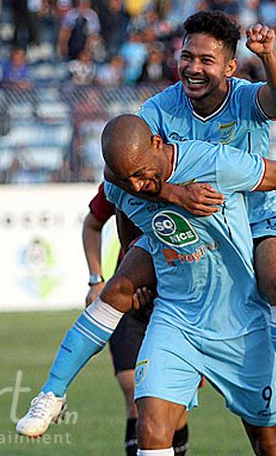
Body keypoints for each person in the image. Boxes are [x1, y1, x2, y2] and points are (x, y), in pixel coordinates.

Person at [18, 115, 276, 456]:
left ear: (158, 143)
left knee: (269, 445)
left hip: (241, 323)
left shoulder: (212, 162)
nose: (139, 185)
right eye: (128, 179)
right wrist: (164, 204)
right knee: (152, 429)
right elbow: (125, 210)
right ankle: (52, 393)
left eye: (143, 174)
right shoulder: (120, 183)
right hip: (177, 320)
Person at [136, 11, 276, 446]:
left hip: (255, 219)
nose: (194, 68)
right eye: (187, 57)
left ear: (230, 68)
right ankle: (54, 390)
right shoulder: (158, 110)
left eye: (206, 61)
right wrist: (174, 196)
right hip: (198, 228)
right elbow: (127, 169)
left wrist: (269, 56)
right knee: (124, 284)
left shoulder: (246, 98)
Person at [83, 183, 190, 456]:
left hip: (176, 305)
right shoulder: (122, 178)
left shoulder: (188, 177)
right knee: (137, 396)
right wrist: (96, 280)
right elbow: (92, 224)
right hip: (128, 304)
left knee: (174, 410)